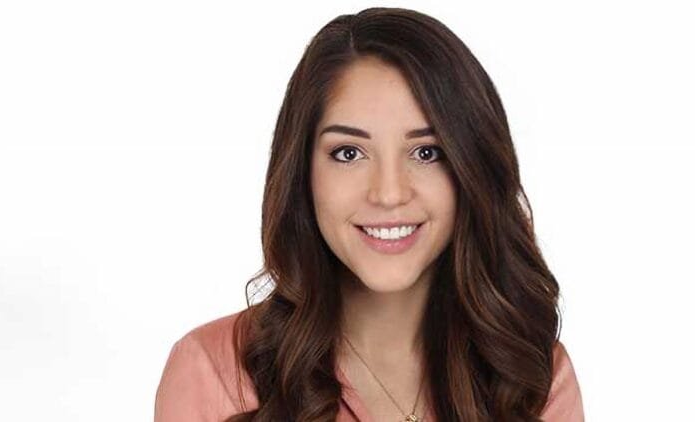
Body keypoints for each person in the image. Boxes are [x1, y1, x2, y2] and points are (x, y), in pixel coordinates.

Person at [154, 7, 584, 422]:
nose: (389, 193)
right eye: (349, 153)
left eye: (426, 152)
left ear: (473, 168)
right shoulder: (214, 374)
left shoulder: (530, 376)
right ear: (303, 171)